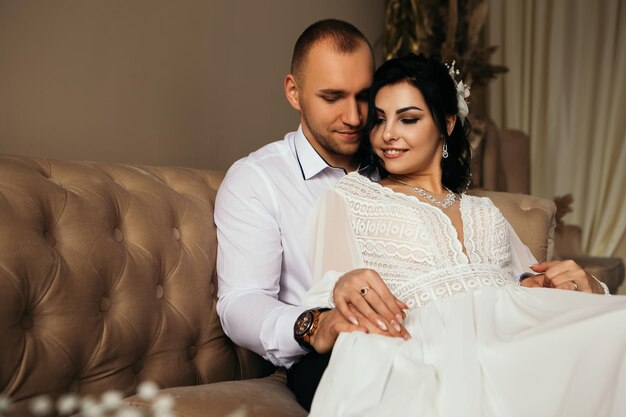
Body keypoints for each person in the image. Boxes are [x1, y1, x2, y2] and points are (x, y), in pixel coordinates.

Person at [215, 19, 610, 412]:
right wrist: (316, 323)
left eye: (365, 97)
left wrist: (568, 287)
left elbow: (509, 274)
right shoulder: (260, 179)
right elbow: (242, 300)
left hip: (456, 335)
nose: (355, 117)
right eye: (332, 97)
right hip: (335, 348)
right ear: (294, 91)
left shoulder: (408, 172)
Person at [302, 53, 626, 417]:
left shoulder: (484, 211)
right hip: (428, 344)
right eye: (379, 120)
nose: (388, 134)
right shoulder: (352, 196)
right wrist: (342, 293)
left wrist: (590, 286)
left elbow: (536, 282)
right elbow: (329, 293)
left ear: (447, 124)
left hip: (512, 333)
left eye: (408, 119)